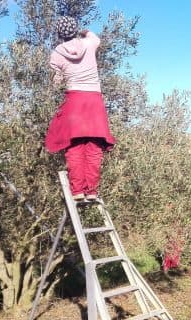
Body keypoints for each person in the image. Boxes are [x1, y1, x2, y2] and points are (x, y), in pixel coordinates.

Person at [44, 16, 116, 202]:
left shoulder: (56, 54)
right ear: (75, 30)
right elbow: (95, 37)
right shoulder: (89, 43)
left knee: (74, 147)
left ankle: (77, 191)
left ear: (59, 33)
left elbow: (56, 82)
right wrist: (84, 32)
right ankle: (91, 190)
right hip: (94, 101)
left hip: (74, 101)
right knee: (94, 147)